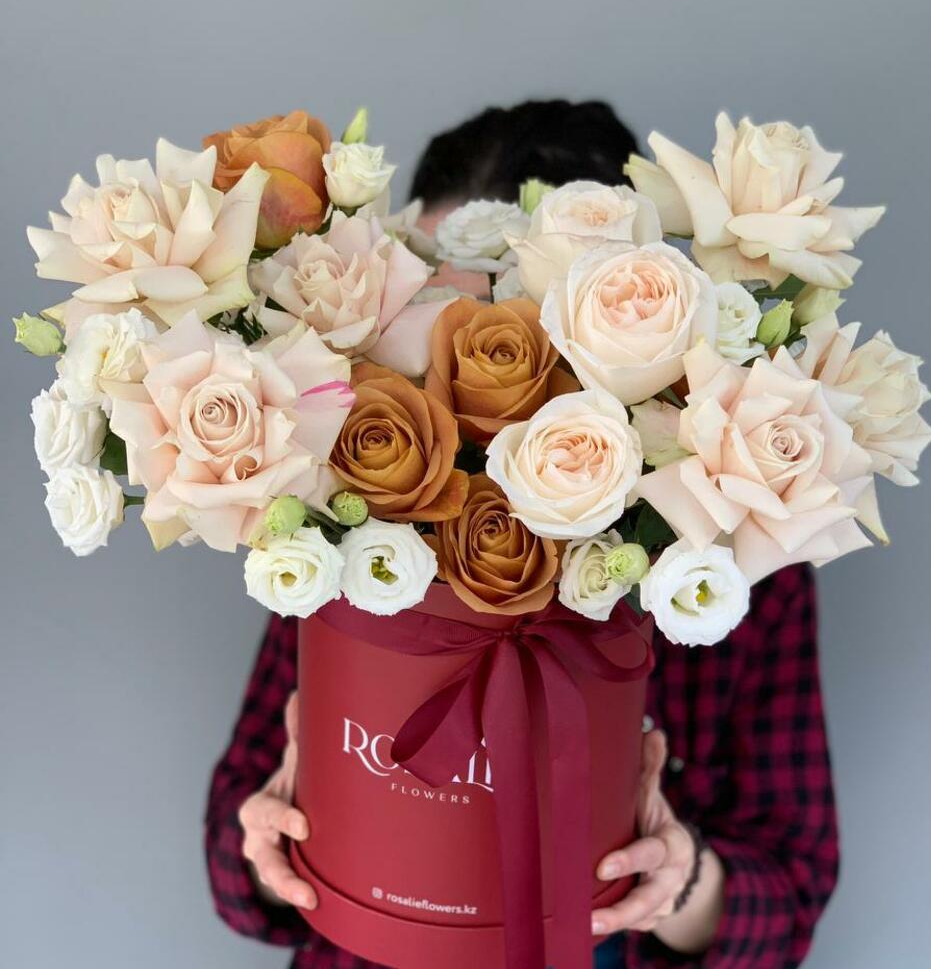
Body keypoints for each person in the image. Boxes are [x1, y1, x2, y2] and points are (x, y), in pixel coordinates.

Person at [205, 100, 839, 969]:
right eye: (426, 330)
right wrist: (276, 843)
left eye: (509, 340)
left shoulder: (736, 561)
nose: (458, 382)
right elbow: (233, 868)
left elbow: (788, 905)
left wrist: (681, 881)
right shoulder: (346, 536)